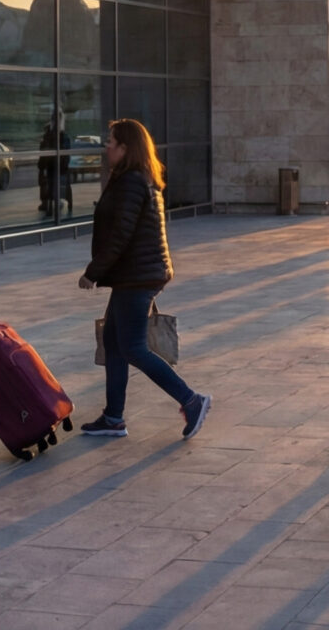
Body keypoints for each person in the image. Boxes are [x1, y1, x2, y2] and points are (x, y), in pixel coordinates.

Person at [77, 119, 210, 440]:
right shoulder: (131, 178)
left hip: (137, 276)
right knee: (113, 344)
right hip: (133, 274)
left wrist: (92, 273)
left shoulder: (131, 182)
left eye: (111, 141)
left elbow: (120, 236)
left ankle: (192, 401)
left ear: (126, 148)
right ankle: (113, 418)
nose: (106, 146)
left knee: (133, 347)